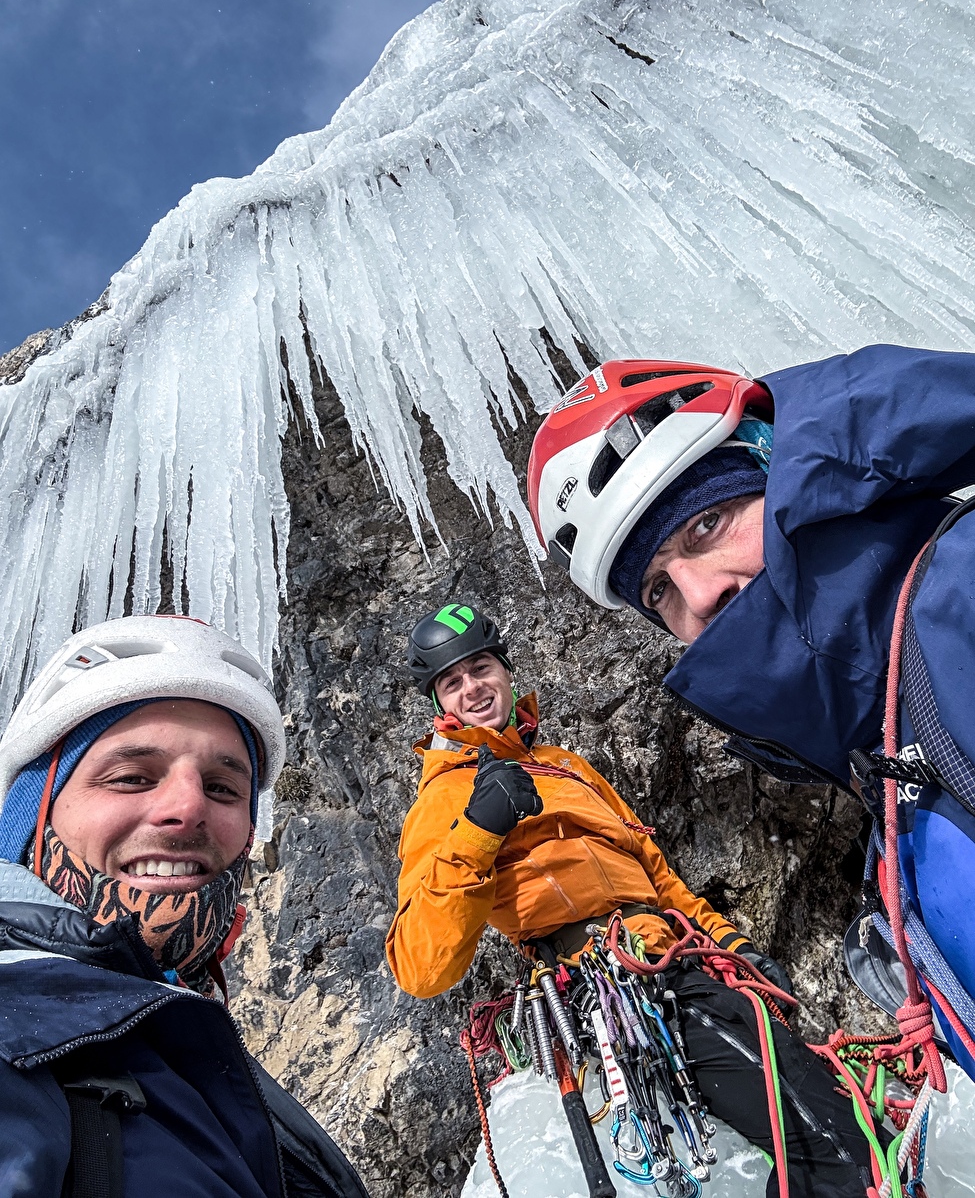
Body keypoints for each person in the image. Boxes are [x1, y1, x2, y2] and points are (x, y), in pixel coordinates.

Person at [526, 348, 975, 1080]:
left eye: (704, 525)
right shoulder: (887, 746)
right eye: (657, 591)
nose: (696, 595)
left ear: (783, 472)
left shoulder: (961, 596)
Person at [386, 602, 876, 1198]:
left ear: (506, 671)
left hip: (678, 963)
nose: (473, 688)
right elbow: (421, 966)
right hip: (608, 989)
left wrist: (732, 944)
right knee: (832, 1145)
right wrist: (480, 828)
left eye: (481, 667)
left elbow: (657, 876)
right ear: (440, 703)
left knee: (822, 1129)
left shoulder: (567, 767)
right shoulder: (442, 799)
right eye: (452, 682)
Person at [0, 614, 368, 1198]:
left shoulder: (202, 1059)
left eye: (223, 788)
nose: (188, 808)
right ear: (29, 821)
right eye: (129, 776)